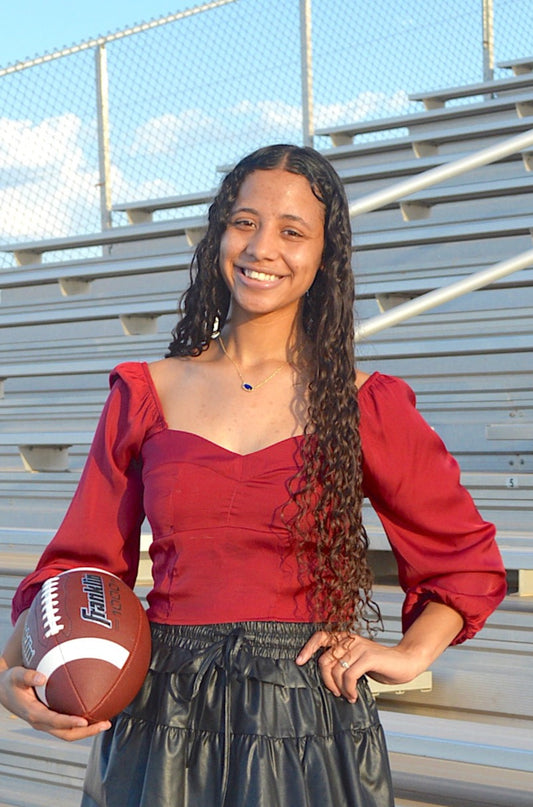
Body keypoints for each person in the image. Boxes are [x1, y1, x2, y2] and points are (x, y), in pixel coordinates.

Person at [0, 144, 506, 807]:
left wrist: (409, 654)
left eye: (291, 231)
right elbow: (77, 570)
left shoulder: (365, 403)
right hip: (162, 713)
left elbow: (466, 560)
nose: (261, 246)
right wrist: (14, 670)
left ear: (323, 257)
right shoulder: (144, 391)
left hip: (306, 718)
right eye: (244, 222)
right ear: (219, 233)